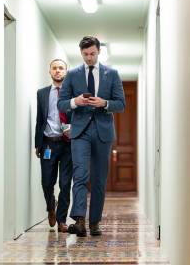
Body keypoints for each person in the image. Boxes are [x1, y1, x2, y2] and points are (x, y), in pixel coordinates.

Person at [58, 36, 125, 237]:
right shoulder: (72, 74)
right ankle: (79, 221)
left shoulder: (111, 74)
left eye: (92, 54)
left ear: (98, 52)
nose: (89, 58)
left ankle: (95, 222)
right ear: (81, 53)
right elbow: (61, 104)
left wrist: (104, 103)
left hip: (103, 131)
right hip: (80, 131)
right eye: (85, 54)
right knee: (80, 175)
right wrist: (75, 101)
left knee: (98, 179)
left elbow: (121, 104)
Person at [34, 59, 73, 233]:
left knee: (65, 184)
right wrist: (38, 144)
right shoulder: (42, 93)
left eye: (61, 68)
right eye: (54, 68)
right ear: (49, 71)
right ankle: (51, 206)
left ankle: (62, 220)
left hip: (67, 144)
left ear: (66, 71)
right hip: (48, 143)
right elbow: (40, 120)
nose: (58, 71)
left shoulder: (73, 94)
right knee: (47, 182)